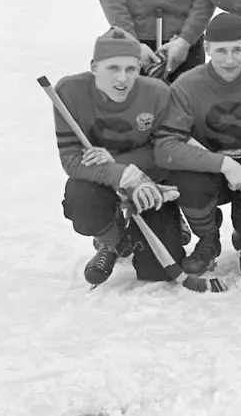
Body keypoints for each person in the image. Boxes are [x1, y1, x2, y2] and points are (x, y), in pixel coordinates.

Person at [153, 12, 241, 280]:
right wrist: (224, 165)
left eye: (237, 50)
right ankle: (208, 237)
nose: (230, 59)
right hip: (211, 167)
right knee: (186, 177)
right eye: (221, 51)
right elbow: (165, 148)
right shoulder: (186, 86)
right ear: (206, 49)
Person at [50, 27, 185, 286]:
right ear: (94, 67)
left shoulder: (157, 93)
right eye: (113, 68)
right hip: (101, 179)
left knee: (158, 273)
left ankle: (161, 224)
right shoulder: (68, 92)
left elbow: (165, 149)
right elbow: (71, 158)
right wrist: (121, 174)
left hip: (148, 180)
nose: (122, 78)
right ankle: (111, 239)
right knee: (81, 198)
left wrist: (126, 169)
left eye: (131, 69)